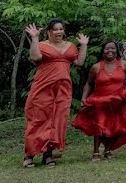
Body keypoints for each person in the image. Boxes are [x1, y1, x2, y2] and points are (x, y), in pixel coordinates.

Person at [22, 20, 88, 168]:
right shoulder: (42, 45)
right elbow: (35, 57)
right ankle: (29, 154)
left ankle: (48, 154)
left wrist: (83, 45)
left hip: (63, 90)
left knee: (58, 121)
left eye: (61, 29)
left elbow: (79, 62)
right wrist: (34, 38)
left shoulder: (70, 46)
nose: (59, 32)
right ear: (49, 32)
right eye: (55, 30)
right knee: (38, 119)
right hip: (43, 88)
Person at [73, 41, 126, 160]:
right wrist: (84, 97)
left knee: (120, 126)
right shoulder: (96, 67)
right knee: (99, 125)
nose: (110, 51)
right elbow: (89, 84)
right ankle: (96, 152)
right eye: (107, 49)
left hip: (119, 100)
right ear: (102, 51)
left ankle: (108, 149)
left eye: (113, 48)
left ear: (117, 50)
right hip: (100, 101)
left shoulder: (123, 64)